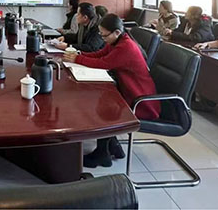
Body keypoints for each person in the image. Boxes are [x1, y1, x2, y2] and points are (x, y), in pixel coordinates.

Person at [62, 14, 160, 168]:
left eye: (104, 35)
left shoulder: (126, 47)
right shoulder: (118, 41)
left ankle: (102, 155)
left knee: (105, 108)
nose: (102, 38)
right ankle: (113, 146)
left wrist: (77, 59)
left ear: (117, 32)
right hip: (128, 91)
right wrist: (78, 54)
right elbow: (99, 54)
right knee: (104, 100)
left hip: (140, 100)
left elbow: (104, 63)